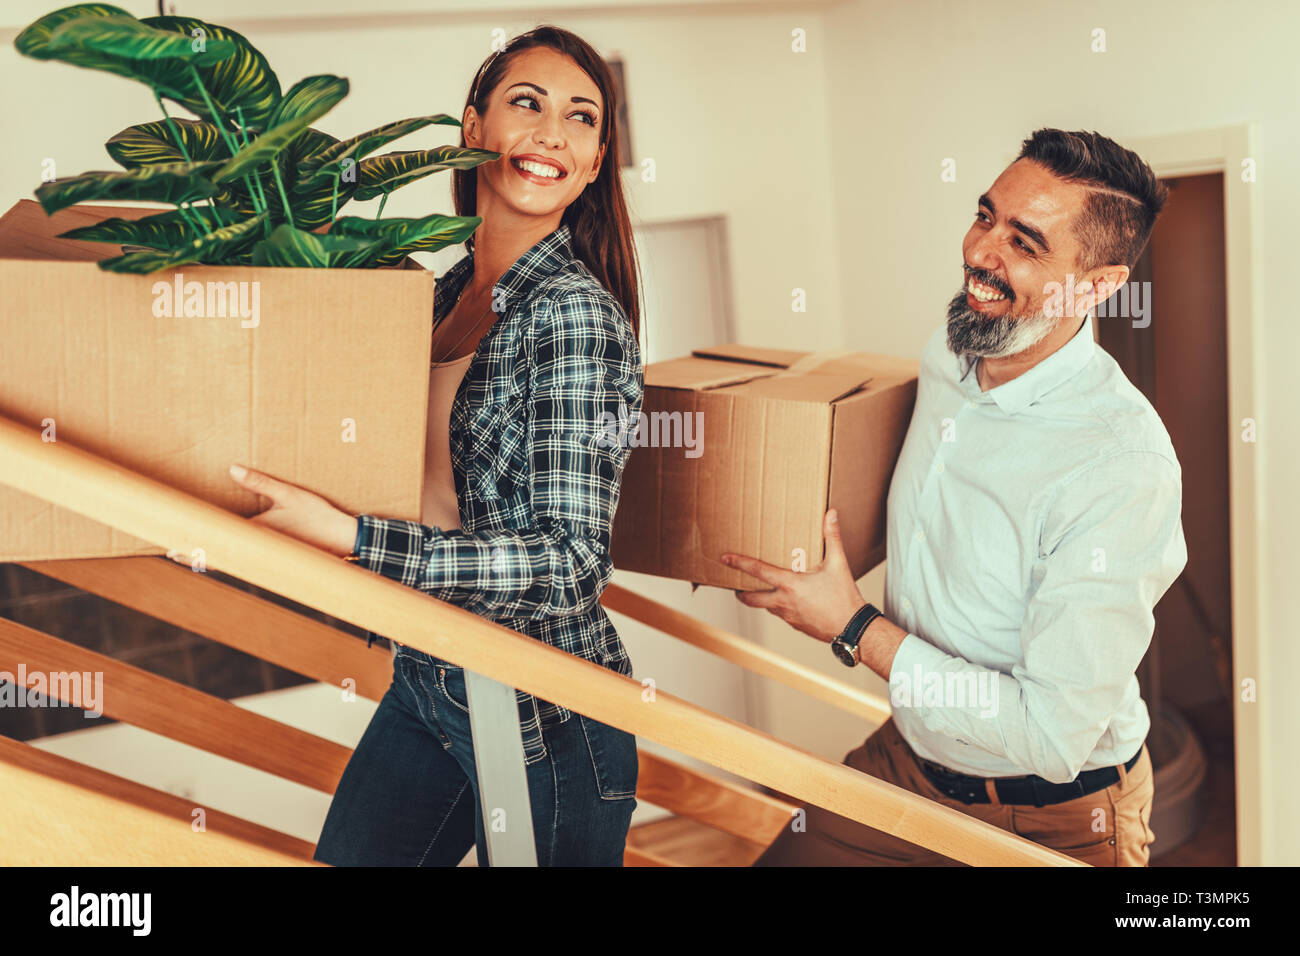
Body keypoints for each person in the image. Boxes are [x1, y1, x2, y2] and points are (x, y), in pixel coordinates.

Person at [225, 26, 644, 866]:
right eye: (527, 104)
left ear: (595, 163)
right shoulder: (437, 292)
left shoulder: (572, 314)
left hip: (545, 712)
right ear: (472, 129)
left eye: (581, 119)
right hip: (431, 673)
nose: (551, 133)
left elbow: (570, 564)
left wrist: (354, 539)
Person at [722, 129, 1186, 867]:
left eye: (1024, 242)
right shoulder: (953, 348)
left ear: (1096, 286)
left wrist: (852, 626)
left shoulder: (1119, 465)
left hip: (1054, 815)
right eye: (985, 214)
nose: (979, 250)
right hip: (908, 765)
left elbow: (1049, 736)